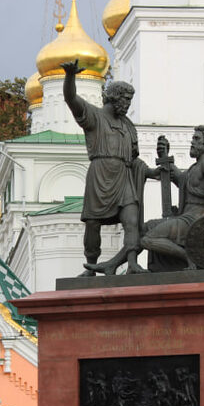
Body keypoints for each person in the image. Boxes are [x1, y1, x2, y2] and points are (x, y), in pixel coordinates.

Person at [61, 59, 149, 276]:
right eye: (126, 99)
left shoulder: (127, 125)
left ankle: (132, 263)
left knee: (132, 219)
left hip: (124, 175)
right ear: (114, 97)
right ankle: (91, 266)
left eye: (130, 101)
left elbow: (135, 159)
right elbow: (71, 99)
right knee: (93, 222)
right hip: (100, 174)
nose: (128, 104)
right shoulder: (94, 116)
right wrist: (70, 76)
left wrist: (152, 172)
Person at [140, 125, 204, 271]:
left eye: (196, 139)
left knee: (148, 239)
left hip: (196, 218)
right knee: (145, 228)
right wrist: (164, 158)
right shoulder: (195, 167)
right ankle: (134, 265)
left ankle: (188, 256)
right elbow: (182, 181)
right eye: (193, 138)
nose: (192, 142)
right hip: (186, 216)